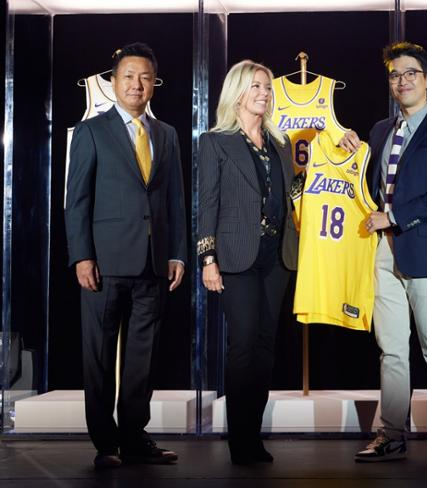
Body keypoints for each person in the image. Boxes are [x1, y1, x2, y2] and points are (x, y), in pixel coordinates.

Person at [340, 42, 427, 465]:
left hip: (426, 250)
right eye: (395, 74)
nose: (402, 80)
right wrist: (353, 151)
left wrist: (393, 216)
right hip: (381, 252)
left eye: (411, 73)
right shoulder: (381, 130)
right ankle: (390, 434)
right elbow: (367, 182)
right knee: (391, 349)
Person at [65, 43, 187, 468]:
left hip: (154, 263)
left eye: (145, 77)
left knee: (143, 356)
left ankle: (134, 436)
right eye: (128, 76)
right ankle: (105, 443)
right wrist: (81, 256)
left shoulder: (166, 134)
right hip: (103, 263)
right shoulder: (91, 131)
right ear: (113, 82)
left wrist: (178, 254)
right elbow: (76, 199)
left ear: (154, 83)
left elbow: (174, 199)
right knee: (98, 355)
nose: (137, 85)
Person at [197, 60, 298, 465]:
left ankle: (253, 435)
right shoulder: (215, 141)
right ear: (237, 91)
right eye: (256, 86)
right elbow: (208, 205)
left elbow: (291, 192)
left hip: (276, 257)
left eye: (268, 87)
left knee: (264, 347)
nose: (264, 93)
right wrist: (207, 257)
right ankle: (239, 439)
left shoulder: (280, 143)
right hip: (236, 257)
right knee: (242, 346)